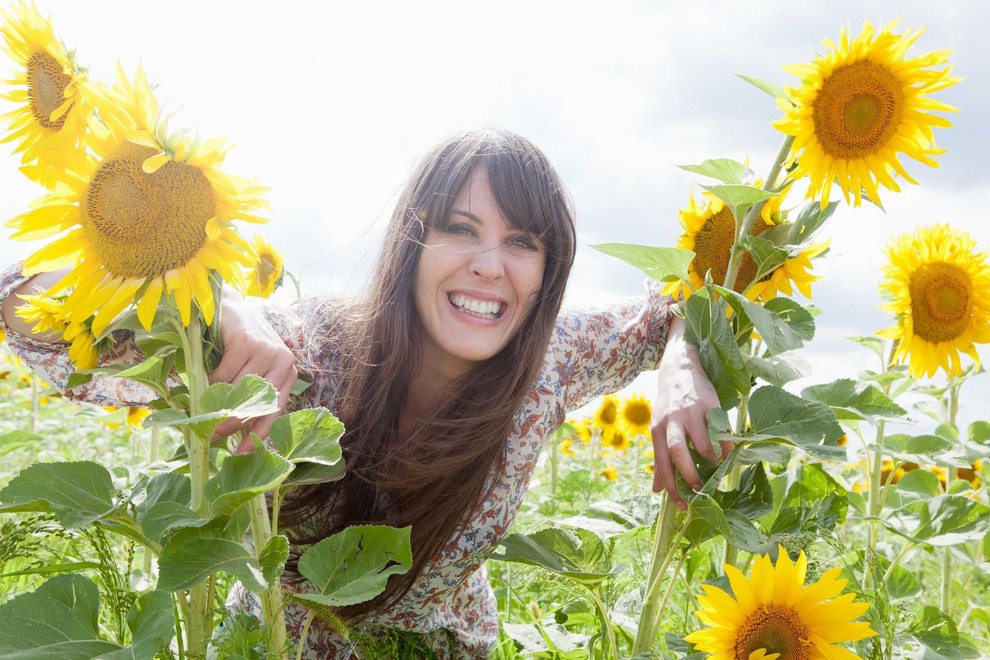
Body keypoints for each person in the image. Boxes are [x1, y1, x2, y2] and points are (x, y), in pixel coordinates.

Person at [0, 128, 723, 658]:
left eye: (522, 242)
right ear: (413, 243)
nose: (487, 266)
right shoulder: (312, 356)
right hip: (280, 646)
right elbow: (29, 312)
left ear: (547, 272)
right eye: (459, 230)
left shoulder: (549, 365)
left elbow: (677, 307)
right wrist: (212, 301)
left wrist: (682, 361)